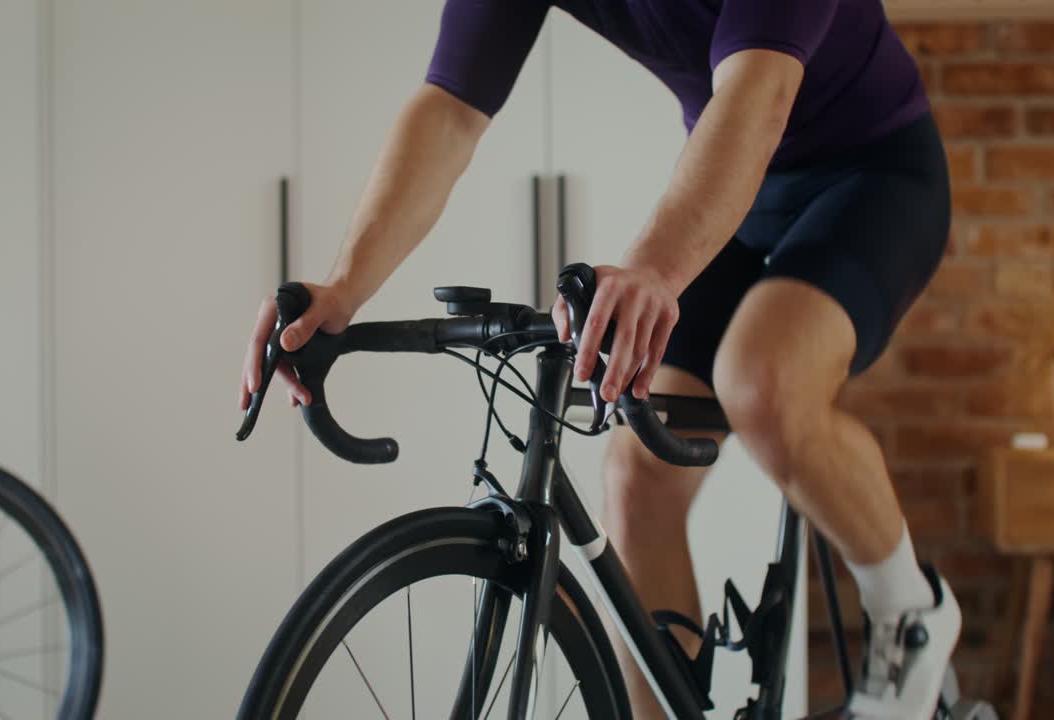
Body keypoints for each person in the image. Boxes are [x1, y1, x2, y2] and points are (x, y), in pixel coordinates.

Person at [241, 1, 959, 717]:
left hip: (876, 175)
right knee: (637, 470)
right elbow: (451, 109)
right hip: (750, 196)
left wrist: (652, 270)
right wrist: (344, 286)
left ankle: (911, 611)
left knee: (762, 380)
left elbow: (760, 91)